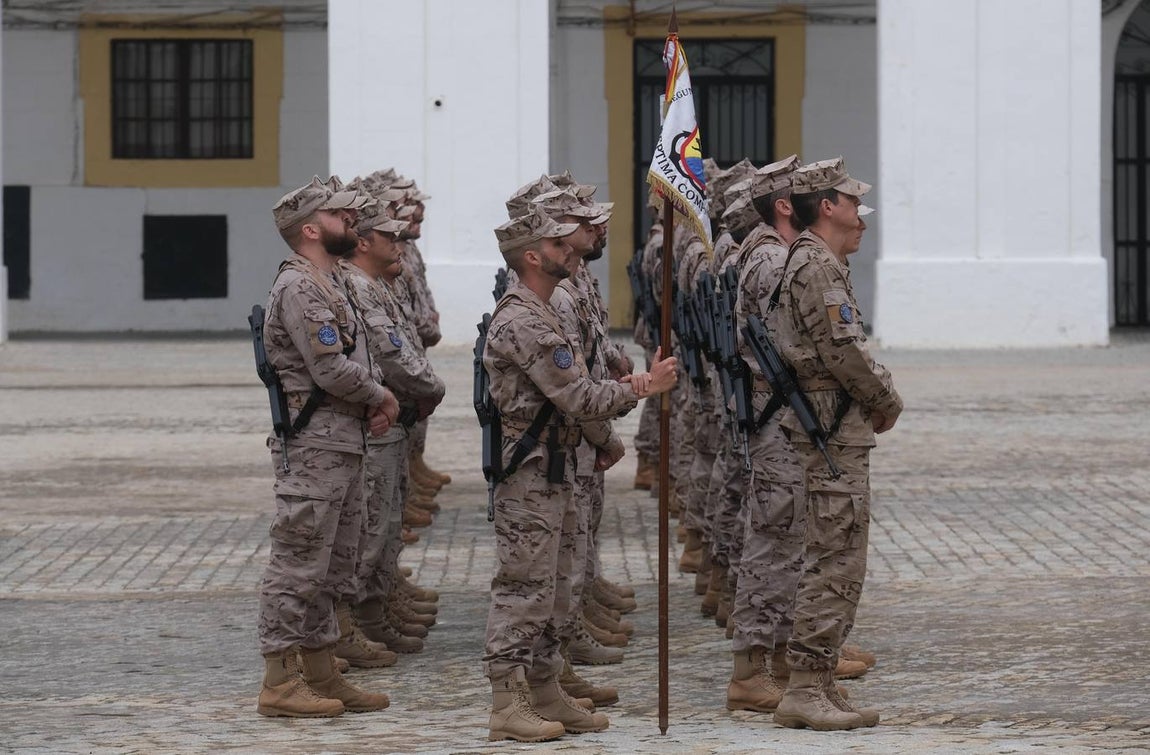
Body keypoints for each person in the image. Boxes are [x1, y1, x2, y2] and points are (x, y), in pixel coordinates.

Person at [482, 205, 678, 742]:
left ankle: (544, 688)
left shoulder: (542, 311)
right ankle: (507, 700)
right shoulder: (522, 318)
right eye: (556, 244)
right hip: (530, 471)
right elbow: (578, 395)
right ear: (531, 257)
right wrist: (644, 387)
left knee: (553, 587)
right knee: (523, 586)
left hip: (554, 466)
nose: (569, 248)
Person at [256, 176, 400, 718]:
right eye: (342, 217)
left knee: (335, 564)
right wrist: (380, 395)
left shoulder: (331, 279)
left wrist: (371, 403)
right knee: (298, 563)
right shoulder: (299, 286)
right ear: (313, 229)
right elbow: (330, 367)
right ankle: (278, 680)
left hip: (343, 441)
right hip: (315, 444)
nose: (353, 224)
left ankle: (320, 669)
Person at [771, 157, 901, 731]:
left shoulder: (818, 262)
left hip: (835, 426)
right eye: (853, 202)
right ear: (827, 206)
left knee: (841, 554)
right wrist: (886, 398)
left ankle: (819, 680)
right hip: (833, 428)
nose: (861, 215)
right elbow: (844, 353)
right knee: (834, 557)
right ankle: (803, 686)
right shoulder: (816, 266)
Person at [339, 196, 445, 659]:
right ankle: (359, 620)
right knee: (370, 529)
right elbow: (389, 353)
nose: (400, 241)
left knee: (385, 522)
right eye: (389, 235)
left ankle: (377, 609)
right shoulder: (359, 288)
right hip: (376, 422)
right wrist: (430, 386)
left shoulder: (377, 283)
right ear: (363, 242)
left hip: (393, 418)